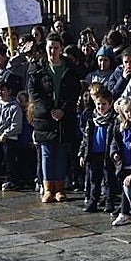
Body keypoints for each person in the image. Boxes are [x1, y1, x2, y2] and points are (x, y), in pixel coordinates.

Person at [28, 35, 81, 204]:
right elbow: (34, 94)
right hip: (45, 118)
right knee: (46, 153)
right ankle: (48, 187)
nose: (53, 51)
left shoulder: (70, 68)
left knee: (61, 152)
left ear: (61, 48)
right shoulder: (36, 68)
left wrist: (63, 110)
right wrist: (50, 110)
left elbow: (74, 92)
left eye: (56, 48)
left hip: (65, 118)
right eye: (50, 48)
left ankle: (60, 187)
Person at [78, 85, 116, 213]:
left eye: (104, 104)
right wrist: (82, 153)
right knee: (94, 179)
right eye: (98, 104)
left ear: (110, 104)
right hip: (94, 153)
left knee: (109, 180)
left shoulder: (113, 120)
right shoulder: (91, 120)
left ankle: (109, 202)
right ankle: (92, 201)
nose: (101, 107)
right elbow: (85, 138)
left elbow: (115, 138)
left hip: (107, 154)